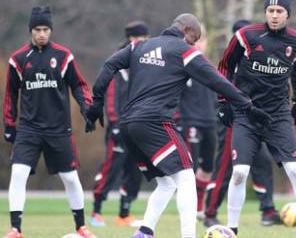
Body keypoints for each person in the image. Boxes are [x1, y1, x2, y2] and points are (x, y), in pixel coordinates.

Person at [85, 13, 272, 238]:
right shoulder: (184, 52)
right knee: (186, 178)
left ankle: (144, 232)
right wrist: (248, 106)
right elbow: (217, 80)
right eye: (194, 39)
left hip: (129, 125)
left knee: (166, 183)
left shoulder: (140, 47)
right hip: (155, 122)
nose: (194, 45)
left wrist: (96, 103)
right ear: (186, 30)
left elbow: (109, 64)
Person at [218, 0, 296, 238]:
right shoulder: (246, 36)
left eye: (280, 11)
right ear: (265, 12)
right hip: (246, 113)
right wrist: (223, 102)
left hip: (277, 115)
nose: (274, 16)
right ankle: (232, 229)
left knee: (294, 169)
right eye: (270, 11)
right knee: (240, 173)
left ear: (288, 14)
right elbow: (224, 67)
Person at [2, 6, 96, 238]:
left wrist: (87, 110)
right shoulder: (19, 59)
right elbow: (10, 95)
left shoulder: (64, 56)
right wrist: (9, 125)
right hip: (29, 130)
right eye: (37, 29)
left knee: (71, 179)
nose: (42, 33)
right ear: (31, 31)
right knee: (18, 174)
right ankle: (16, 228)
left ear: (51, 30)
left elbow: (78, 85)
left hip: (58, 130)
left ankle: (81, 227)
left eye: (45, 29)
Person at [203, 20, 281, 228]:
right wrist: (224, 107)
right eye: (240, 35)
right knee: (226, 166)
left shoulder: (257, 58)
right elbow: (220, 86)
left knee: (263, 162)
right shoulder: (230, 61)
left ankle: (268, 211)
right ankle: (210, 213)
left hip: (253, 120)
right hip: (233, 120)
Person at [89, 21, 149, 227]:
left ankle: (124, 213)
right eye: (140, 38)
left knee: (135, 169)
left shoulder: (145, 62)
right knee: (112, 168)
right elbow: (110, 96)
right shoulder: (118, 61)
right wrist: (114, 122)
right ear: (131, 39)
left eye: (145, 38)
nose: (144, 42)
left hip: (138, 127)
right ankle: (96, 211)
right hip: (119, 127)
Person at [177, 25, 219, 219]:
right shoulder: (182, 66)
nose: (199, 43)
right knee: (188, 170)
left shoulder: (211, 67)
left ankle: (198, 207)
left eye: (202, 39)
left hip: (210, 122)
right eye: (196, 39)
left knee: (208, 167)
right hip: (190, 122)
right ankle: (188, 208)